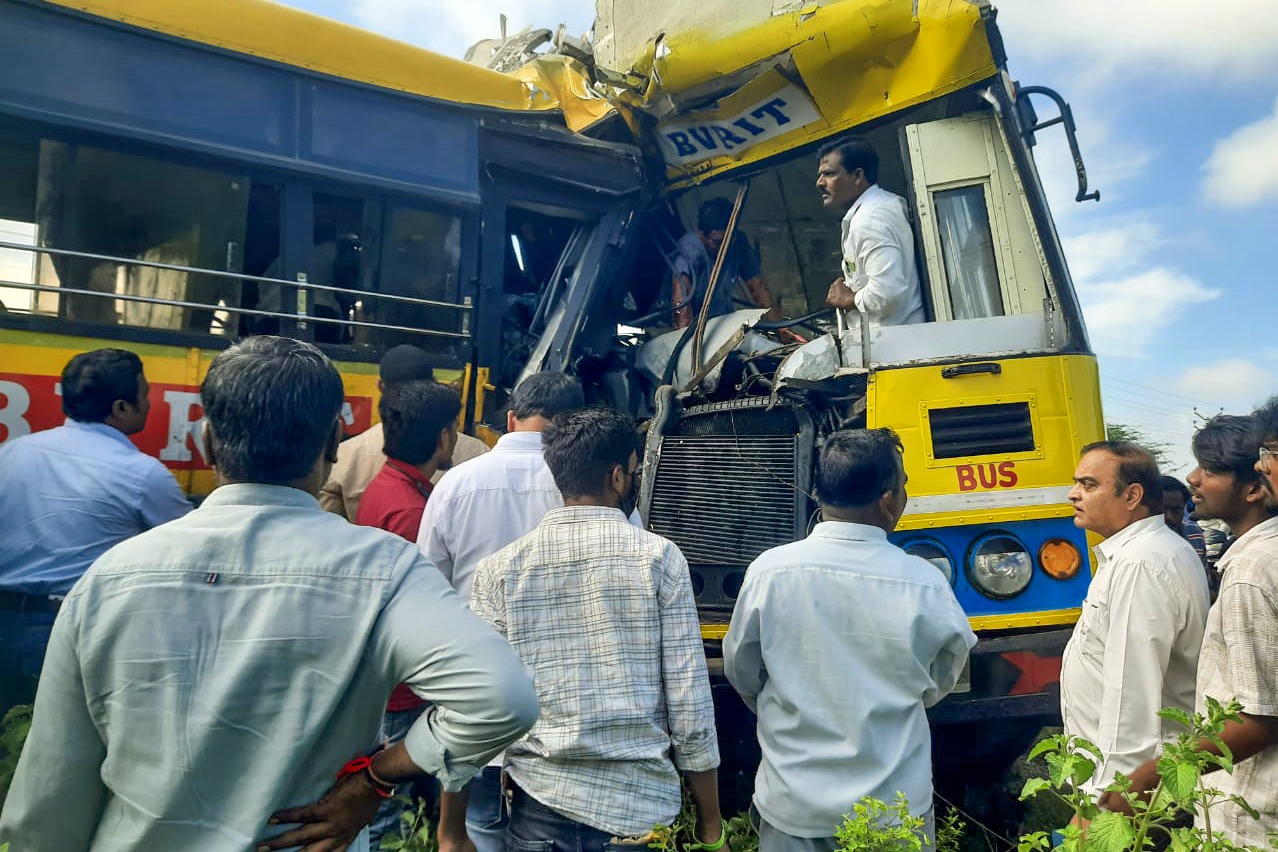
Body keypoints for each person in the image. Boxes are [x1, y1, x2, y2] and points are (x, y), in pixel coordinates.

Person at [0, 336, 538, 851]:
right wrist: (374, 779)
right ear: (331, 443)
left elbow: (48, 802)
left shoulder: (110, 577)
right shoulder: (385, 570)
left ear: (208, 440)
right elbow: (502, 699)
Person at [456, 407, 722, 852]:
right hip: (640, 815)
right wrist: (711, 825)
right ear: (618, 477)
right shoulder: (659, 559)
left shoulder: (500, 569)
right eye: (635, 471)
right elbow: (689, 706)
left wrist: (450, 829)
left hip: (539, 808)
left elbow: (478, 706)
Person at [723, 429, 974, 852]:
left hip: (793, 807)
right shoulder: (924, 583)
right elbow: (942, 679)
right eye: (904, 484)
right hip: (894, 811)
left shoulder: (769, 572)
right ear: (887, 501)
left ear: (820, 494)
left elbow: (741, 670)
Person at [416, 371, 582, 852]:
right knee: (551, 829)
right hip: (564, 701)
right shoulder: (588, 484)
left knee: (481, 825)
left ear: (511, 418)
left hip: (477, 693)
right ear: (572, 422)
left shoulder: (456, 484)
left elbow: (430, 588)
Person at [1113, 412, 1278, 844]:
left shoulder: (1251, 572)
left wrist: (1152, 775)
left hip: (1253, 820)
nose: (1192, 478)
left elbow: (1259, 718)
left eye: (1211, 469)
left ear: (1255, 486)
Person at [0, 348, 190, 712]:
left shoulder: (11, 453)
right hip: (66, 630)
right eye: (145, 394)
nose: (150, 403)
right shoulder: (141, 474)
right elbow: (189, 551)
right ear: (121, 408)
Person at [1060, 442, 1209, 809]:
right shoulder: (1141, 553)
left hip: (1141, 796)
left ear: (1131, 495)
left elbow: (1132, 693)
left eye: (1089, 484)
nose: (1073, 494)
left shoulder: (1139, 564)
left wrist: (1112, 800)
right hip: (1142, 784)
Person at [354, 379, 462, 848]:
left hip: (389, 678)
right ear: (442, 437)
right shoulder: (410, 510)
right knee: (388, 811)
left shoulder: (389, 487)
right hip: (401, 690)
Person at [320, 343, 488, 520]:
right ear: (434, 385)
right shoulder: (479, 454)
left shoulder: (344, 457)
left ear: (381, 386)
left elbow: (328, 527)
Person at [818, 138, 925, 327]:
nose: (819, 182)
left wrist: (848, 299)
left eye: (829, 174)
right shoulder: (886, 204)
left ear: (858, 176)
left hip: (893, 346)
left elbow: (888, 291)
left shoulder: (869, 221)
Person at [670, 197, 779, 329]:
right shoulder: (690, 249)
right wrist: (687, 340)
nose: (723, 248)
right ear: (702, 235)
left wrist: (780, 328)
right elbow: (680, 301)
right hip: (687, 328)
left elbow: (759, 288)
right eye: (717, 242)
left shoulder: (739, 242)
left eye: (727, 241)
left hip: (721, 321)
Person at [1161, 474, 1208, 569]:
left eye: (1176, 510)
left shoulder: (1194, 535)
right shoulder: (1138, 543)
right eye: (1162, 510)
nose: (1169, 517)